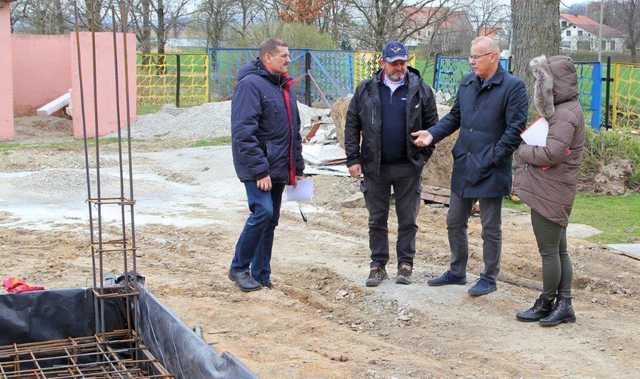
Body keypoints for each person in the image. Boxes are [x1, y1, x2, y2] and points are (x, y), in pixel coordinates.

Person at [412, 36, 528, 296]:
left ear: (493, 57)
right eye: (471, 56)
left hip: (492, 167)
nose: (471, 61)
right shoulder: (467, 82)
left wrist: (493, 158)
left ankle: (489, 277)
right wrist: (432, 134)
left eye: (477, 56)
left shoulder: (513, 87)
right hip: (464, 161)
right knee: (454, 220)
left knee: (490, 227)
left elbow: (515, 129)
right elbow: (455, 116)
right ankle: (457, 271)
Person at [344, 41, 438, 287]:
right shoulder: (366, 90)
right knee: (377, 219)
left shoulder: (421, 90)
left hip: (408, 166)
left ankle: (405, 264)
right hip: (375, 167)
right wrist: (353, 159)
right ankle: (378, 265)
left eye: (403, 62)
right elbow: (352, 124)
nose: (399, 67)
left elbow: (433, 127)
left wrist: (421, 158)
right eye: (394, 62)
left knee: (407, 219)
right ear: (382, 62)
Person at [513, 55, 584, 326]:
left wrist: (522, 151)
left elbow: (553, 152)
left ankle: (546, 302)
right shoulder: (568, 109)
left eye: (542, 81)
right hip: (554, 188)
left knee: (549, 251)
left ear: (554, 84)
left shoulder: (565, 114)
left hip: (551, 190)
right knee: (558, 249)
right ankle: (563, 304)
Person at [228, 38, 304, 292]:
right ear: (267, 57)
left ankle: (261, 274)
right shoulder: (251, 85)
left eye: (288, 55)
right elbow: (243, 132)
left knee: (270, 221)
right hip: (259, 168)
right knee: (262, 212)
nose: (288, 60)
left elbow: (294, 130)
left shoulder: (284, 86)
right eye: (283, 55)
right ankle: (239, 268)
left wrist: (298, 166)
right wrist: (260, 169)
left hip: (279, 166)